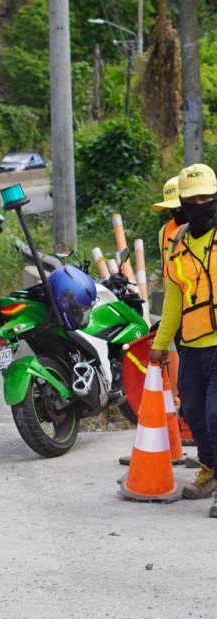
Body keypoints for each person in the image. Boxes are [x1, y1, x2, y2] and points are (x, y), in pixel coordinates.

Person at [148, 163, 217, 517]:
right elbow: (173, 298)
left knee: (215, 411)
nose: (201, 203)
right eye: (193, 199)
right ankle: (210, 470)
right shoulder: (177, 246)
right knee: (191, 410)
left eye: (207, 197)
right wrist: (161, 343)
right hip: (193, 342)